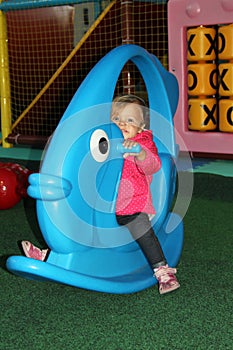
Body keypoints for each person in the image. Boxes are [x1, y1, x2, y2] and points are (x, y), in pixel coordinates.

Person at [21, 94, 180, 295]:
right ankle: (54, 256)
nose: (122, 124)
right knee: (76, 219)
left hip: (131, 207)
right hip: (100, 206)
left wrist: (139, 153)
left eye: (130, 120)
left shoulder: (143, 143)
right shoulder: (102, 143)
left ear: (141, 128)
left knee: (141, 227)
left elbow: (153, 166)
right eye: (116, 118)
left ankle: (162, 269)